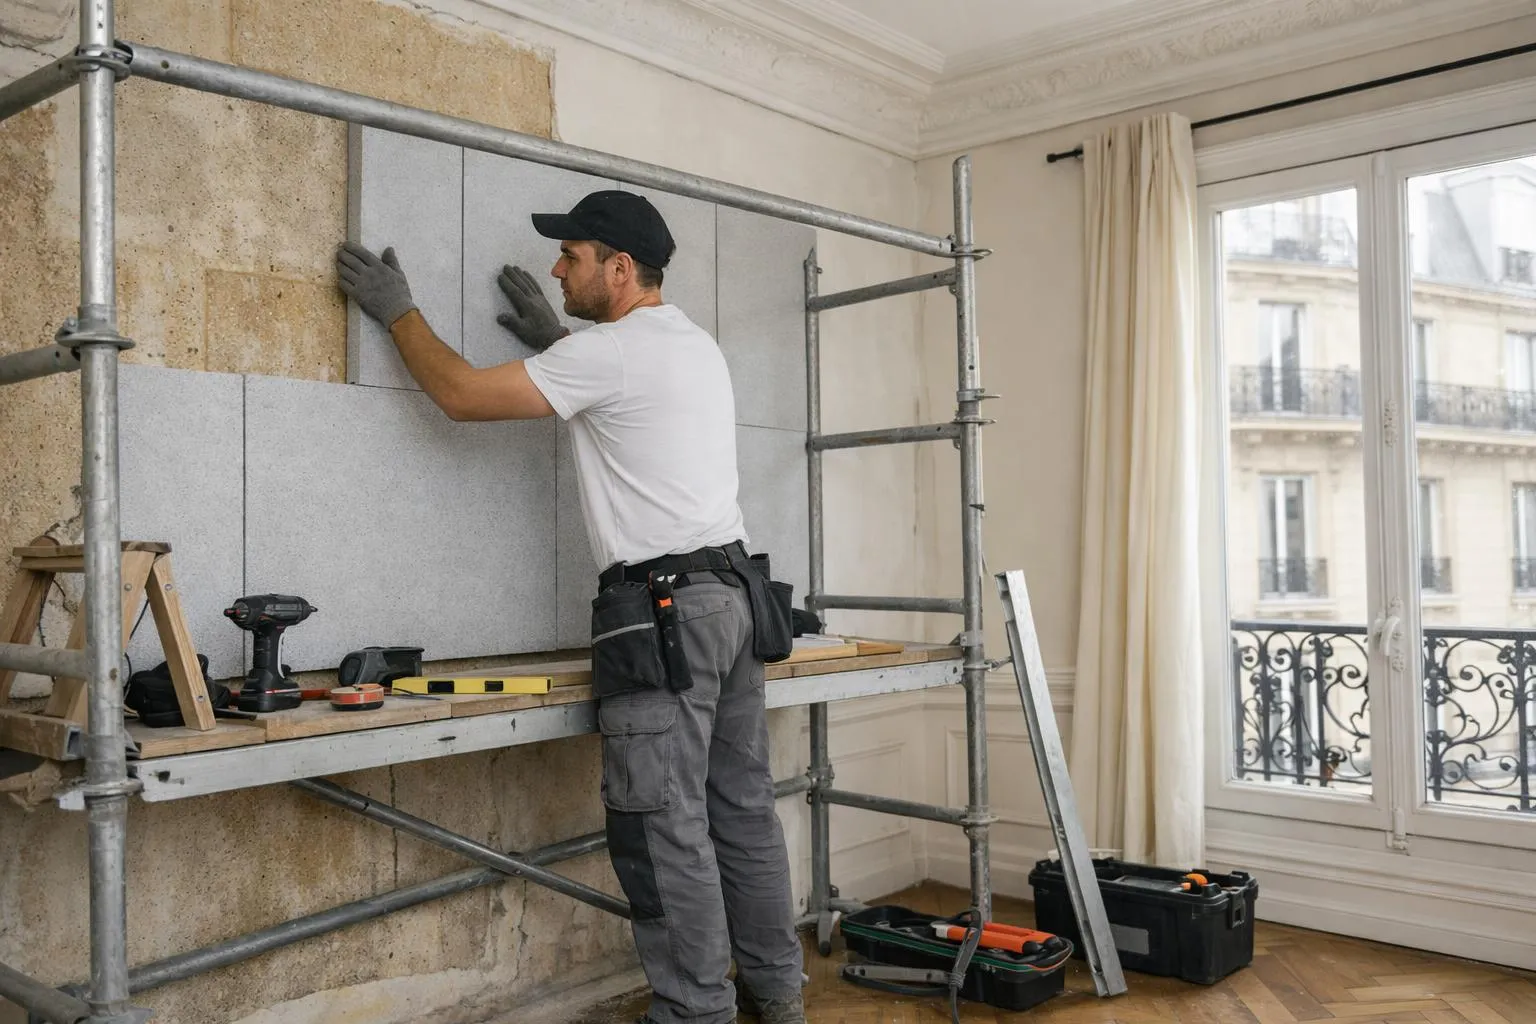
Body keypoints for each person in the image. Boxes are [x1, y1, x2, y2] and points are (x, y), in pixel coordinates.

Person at [336, 189, 805, 1024]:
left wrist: (400, 313)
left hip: (669, 614)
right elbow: (629, 410)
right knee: (741, 812)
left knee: (664, 826)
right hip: (733, 598)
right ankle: (779, 997)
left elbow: (464, 396)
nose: (558, 267)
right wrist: (558, 343)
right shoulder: (692, 344)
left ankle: (695, 1014)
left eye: (574, 255)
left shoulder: (615, 355)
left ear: (619, 270)